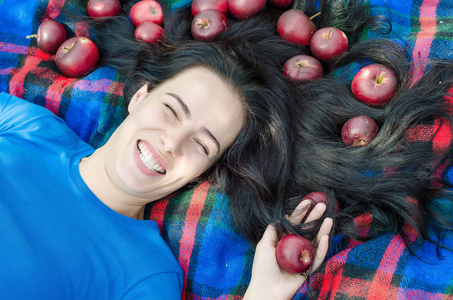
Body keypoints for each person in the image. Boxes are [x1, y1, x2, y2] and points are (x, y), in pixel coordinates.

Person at [0, 10, 333, 298]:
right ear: (141, 96)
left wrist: (264, 295)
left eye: (202, 145)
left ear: (204, 171)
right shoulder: (32, 127)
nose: (172, 143)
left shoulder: (145, 274)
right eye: (172, 111)